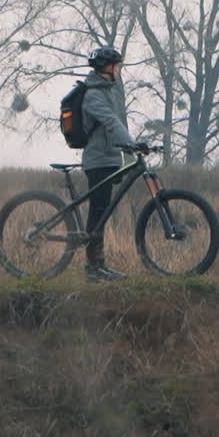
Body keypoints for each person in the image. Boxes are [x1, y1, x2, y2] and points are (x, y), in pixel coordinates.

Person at [80, 46, 134, 281]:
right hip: (97, 160)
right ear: (108, 68)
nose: (120, 70)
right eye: (118, 66)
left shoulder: (110, 91)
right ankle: (93, 268)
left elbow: (119, 121)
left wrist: (126, 148)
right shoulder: (93, 95)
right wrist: (131, 144)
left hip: (110, 158)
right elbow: (111, 122)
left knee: (102, 212)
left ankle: (98, 265)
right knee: (98, 212)